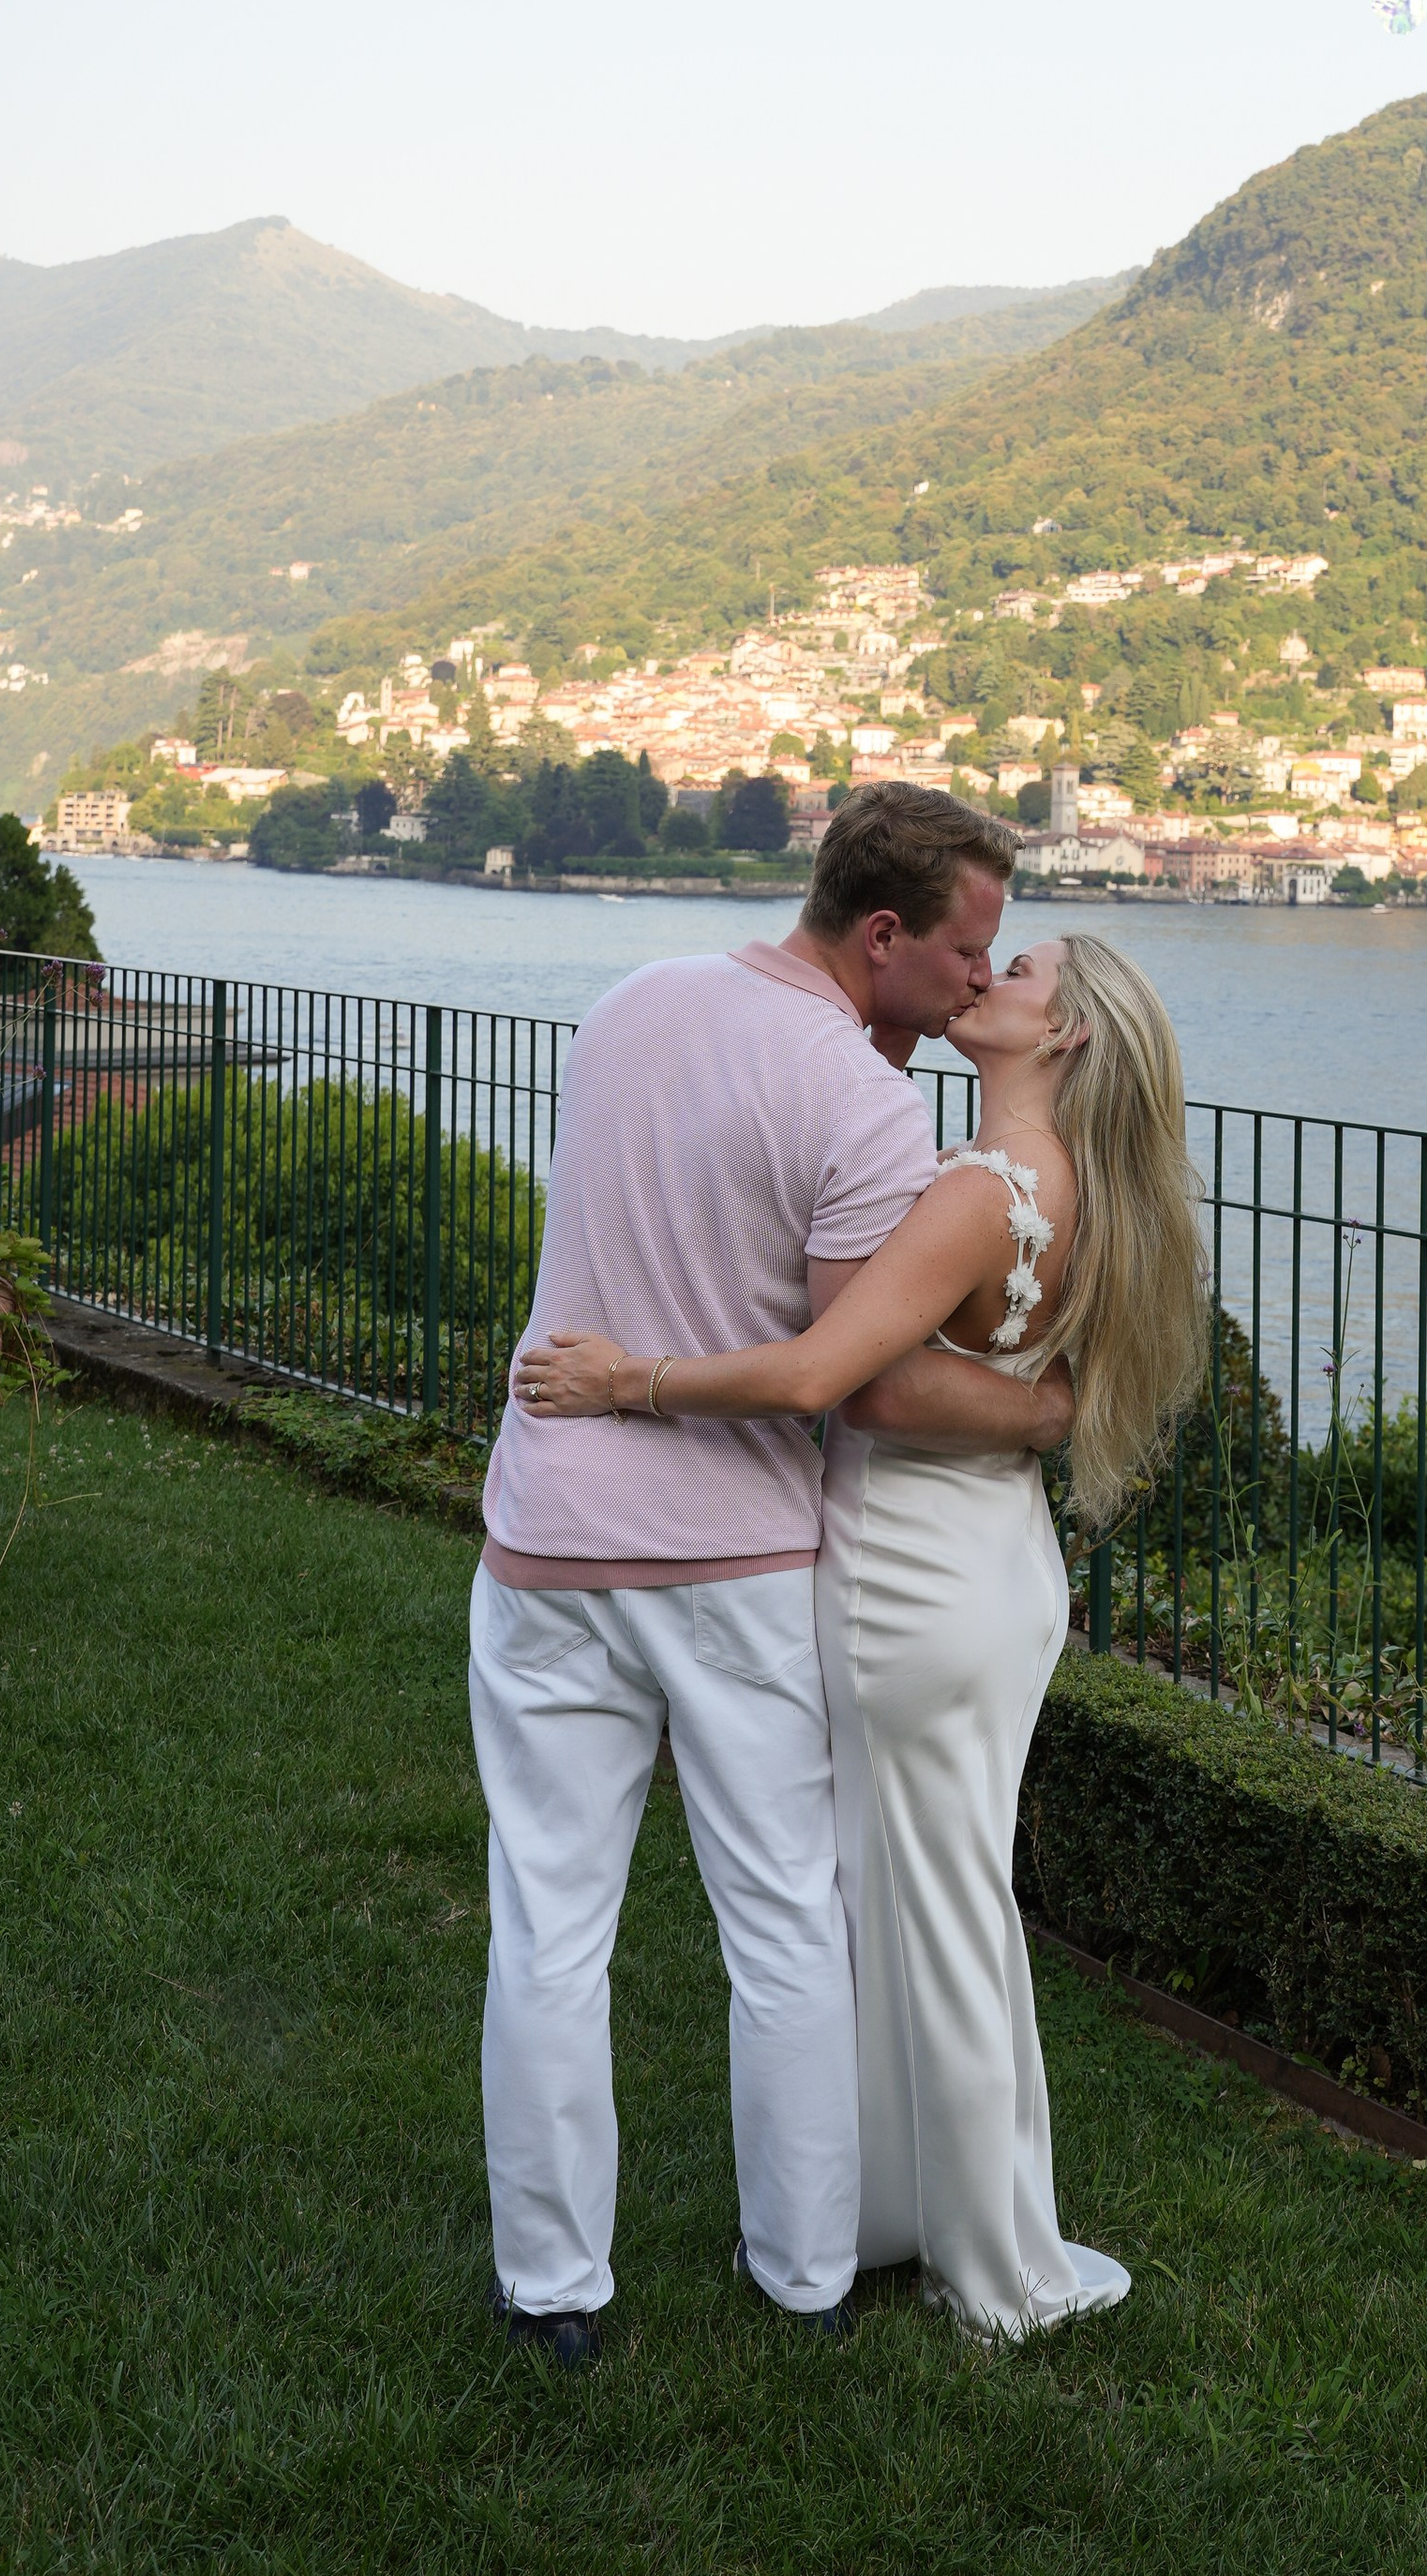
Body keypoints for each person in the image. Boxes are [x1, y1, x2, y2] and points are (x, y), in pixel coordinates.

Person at [517, 930, 1208, 2338]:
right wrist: (1037, 1412)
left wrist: (627, 1377)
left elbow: (841, 1379)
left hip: (914, 1577)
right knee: (923, 1903)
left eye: (1018, 973)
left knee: (931, 1913)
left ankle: (993, 2253)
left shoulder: (977, 1188)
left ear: (1062, 1036)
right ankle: (907, 2211)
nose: (984, 980)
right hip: (986, 1560)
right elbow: (1011, 1385)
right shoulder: (1063, 1187)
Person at [471, 784, 1061, 2372]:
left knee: (546, 1922)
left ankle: (551, 2291)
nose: (971, 986)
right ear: (882, 935)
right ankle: (801, 2272)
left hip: (544, 1531)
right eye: (960, 952)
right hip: (729, 1561)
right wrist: (1059, 1414)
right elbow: (858, 1378)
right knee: (784, 1921)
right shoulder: (857, 1105)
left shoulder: (630, 1003)